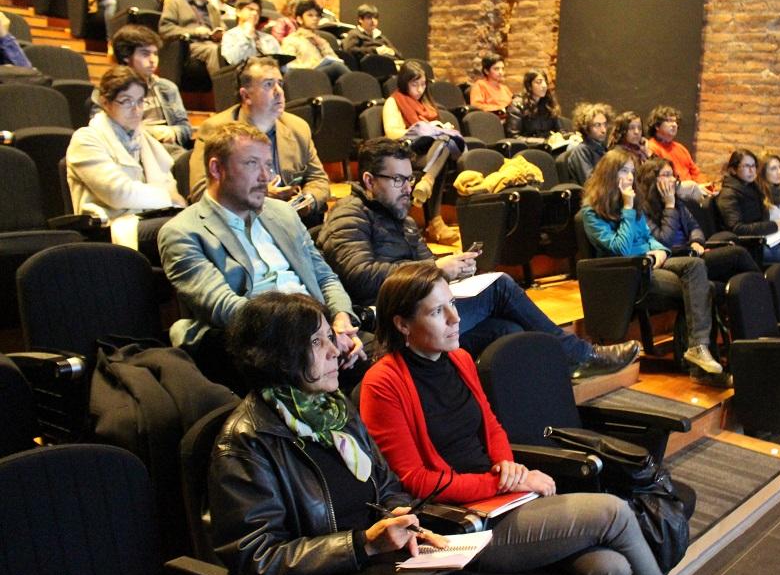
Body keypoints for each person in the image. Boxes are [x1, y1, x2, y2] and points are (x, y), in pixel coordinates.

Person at [360, 262, 711, 575]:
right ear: (402, 324)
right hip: (460, 524)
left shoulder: (460, 359)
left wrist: (506, 464)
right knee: (613, 511)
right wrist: (504, 482)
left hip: (502, 500)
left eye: (452, 304)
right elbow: (417, 481)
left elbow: (491, 426)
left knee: (613, 569)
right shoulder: (382, 383)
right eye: (436, 311)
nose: (454, 318)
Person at [208, 292, 501, 575]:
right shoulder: (247, 440)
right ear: (280, 356)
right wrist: (361, 545)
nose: (336, 350)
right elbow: (256, 555)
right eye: (318, 342)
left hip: (381, 569)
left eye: (330, 338)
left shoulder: (336, 410)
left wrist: (399, 516)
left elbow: (386, 484)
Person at [317, 138, 640, 378]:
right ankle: (579, 355)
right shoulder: (349, 214)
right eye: (398, 180)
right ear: (370, 181)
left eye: (409, 179)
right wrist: (435, 269)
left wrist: (453, 271)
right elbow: (359, 275)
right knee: (500, 285)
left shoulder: (402, 219)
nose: (407, 188)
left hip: (424, 305)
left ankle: (539, 402)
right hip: (390, 317)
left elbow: (425, 267)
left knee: (509, 330)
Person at [159, 121, 362, 390]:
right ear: (216, 168)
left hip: (318, 329)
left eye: (267, 165)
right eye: (252, 164)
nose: (266, 177)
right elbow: (224, 308)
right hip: (262, 342)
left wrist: (341, 320)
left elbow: (325, 277)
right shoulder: (182, 232)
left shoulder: (283, 213)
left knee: (388, 356)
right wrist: (314, 334)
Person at [581, 149, 723, 376]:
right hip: (628, 272)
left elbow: (650, 238)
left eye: (631, 172)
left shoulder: (632, 205)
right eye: (624, 171)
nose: (629, 177)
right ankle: (700, 365)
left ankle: (698, 349)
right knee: (701, 289)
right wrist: (627, 209)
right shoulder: (591, 213)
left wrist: (659, 251)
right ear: (609, 175)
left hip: (652, 262)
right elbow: (620, 249)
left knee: (695, 266)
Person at [187, 56, 330, 227]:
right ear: (246, 95)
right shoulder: (215, 130)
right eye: (269, 84)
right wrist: (259, 194)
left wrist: (305, 202)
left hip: (292, 222)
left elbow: (319, 180)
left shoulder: (298, 128)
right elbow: (200, 192)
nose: (279, 92)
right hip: (238, 226)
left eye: (280, 84)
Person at [67, 66, 186, 264]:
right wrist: (168, 198)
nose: (136, 109)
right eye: (126, 101)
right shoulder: (86, 138)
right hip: (113, 226)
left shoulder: (144, 138)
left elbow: (168, 180)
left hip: (150, 217)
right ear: (106, 103)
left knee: (202, 222)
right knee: (181, 228)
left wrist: (172, 199)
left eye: (140, 101)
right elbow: (118, 194)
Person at [636, 157, 759, 282]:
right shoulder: (642, 209)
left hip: (690, 250)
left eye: (673, 175)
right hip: (674, 256)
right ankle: (765, 289)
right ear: (650, 179)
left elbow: (694, 226)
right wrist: (669, 207)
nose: (673, 179)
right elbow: (664, 241)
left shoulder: (678, 203)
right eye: (666, 175)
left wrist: (696, 242)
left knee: (728, 237)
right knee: (737, 254)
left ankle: (751, 291)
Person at [381, 60, 464, 245]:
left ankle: (427, 181)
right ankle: (435, 222)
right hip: (407, 154)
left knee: (445, 141)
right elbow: (392, 133)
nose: (419, 89)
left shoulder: (426, 104)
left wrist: (440, 128)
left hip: (429, 154)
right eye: (414, 84)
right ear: (404, 83)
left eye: (423, 84)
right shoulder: (393, 102)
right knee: (440, 154)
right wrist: (423, 129)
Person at [100, 25, 192, 160]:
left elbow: (185, 128)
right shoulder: (110, 89)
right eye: (145, 54)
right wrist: (147, 132)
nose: (152, 60)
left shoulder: (167, 87)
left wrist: (172, 132)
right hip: (130, 151)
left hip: (168, 148)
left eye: (155, 54)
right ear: (126, 56)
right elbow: (107, 129)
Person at [717, 149, 780, 264]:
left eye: (753, 166)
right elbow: (738, 229)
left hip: (764, 237)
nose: (752, 170)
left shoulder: (752, 188)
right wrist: (776, 225)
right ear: (733, 170)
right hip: (749, 246)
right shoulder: (728, 194)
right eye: (747, 166)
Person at [158, 0, 224, 75]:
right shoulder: (175, 2)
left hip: (211, 43)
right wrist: (195, 31)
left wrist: (220, 34)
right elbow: (165, 29)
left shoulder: (212, 8)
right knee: (214, 50)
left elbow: (222, 27)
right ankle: (221, 88)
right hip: (189, 44)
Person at [645, 105, 714, 205]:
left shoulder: (680, 148)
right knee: (692, 187)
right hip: (670, 190)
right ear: (657, 126)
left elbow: (695, 172)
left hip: (690, 191)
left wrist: (703, 185)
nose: (674, 125)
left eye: (675, 122)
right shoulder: (651, 147)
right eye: (669, 121)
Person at [281, 0, 349, 83]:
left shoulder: (321, 40)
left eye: (317, 16)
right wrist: (312, 66)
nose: (315, 18)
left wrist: (323, 46)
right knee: (336, 67)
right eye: (310, 15)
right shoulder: (291, 40)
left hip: (324, 78)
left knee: (338, 67)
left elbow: (337, 60)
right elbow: (287, 67)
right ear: (299, 19)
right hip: (304, 78)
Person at [504, 68, 563, 144]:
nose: (544, 85)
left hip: (548, 146)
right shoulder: (517, 105)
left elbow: (560, 131)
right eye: (539, 82)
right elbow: (514, 137)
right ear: (529, 86)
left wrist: (568, 137)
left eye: (545, 82)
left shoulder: (548, 103)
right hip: (528, 148)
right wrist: (543, 141)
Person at [220, 0, 280, 65]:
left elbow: (280, 62)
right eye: (250, 9)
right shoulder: (230, 35)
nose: (255, 13)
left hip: (270, 71)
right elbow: (233, 60)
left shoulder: (269, 38)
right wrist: (247, 35)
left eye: (258, 11)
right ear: (238, 12)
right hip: (245, 72)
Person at [565, 101, 613, 185]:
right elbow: (591, 183)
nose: (604, 130)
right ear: (586, 128)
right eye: (597, 125)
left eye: (605, 124)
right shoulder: (581, 151)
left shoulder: (604, 149)